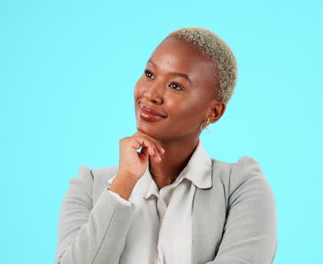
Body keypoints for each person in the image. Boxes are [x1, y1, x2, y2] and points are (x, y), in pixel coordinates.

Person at [55, 27, 277, 264]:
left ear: (214, 112)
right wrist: (124, 183)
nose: (151, 94)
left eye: (176, 86)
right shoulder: (90, 186)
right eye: (149, 74)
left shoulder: (240, 186)